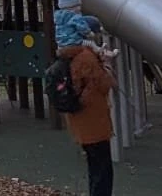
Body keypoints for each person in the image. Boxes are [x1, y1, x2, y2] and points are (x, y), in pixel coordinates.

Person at [56, 10, 116, 196]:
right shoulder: (86, 58)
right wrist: (105, 65)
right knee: (103, 170)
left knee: (95, 166)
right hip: (93, 121)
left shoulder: (71, 55)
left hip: (81, 121)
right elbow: (105, 84)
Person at [54, 0, 118, 62]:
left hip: (61, 45)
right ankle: (101, 52)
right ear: (70, 7)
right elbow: (81, 27)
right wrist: (89, 33)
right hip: (74, 42)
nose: (79, 8)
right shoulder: (74, 17)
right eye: (76, 6)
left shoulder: (58, 19)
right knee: (91, 43)